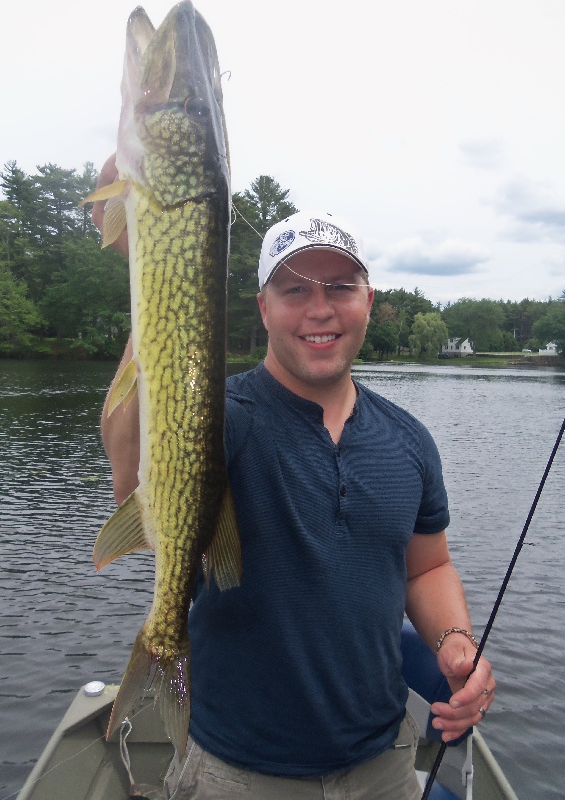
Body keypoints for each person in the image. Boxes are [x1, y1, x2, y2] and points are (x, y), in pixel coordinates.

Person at [93, 162, 495, 800]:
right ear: (263, 307)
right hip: (237, 771)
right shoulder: (217, 419)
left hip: (383, 762)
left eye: (339, 286)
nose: (319, 309)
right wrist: (151, 265)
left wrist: (454, 641)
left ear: (368, 299)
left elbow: (427, 568)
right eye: (293, 289)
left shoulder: (409, 440)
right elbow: (129, 466)